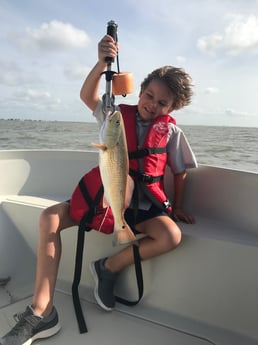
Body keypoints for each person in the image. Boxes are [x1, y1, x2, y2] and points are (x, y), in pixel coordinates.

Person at [0, 34, 197, 345]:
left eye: (163, 103)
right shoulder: (114, 117)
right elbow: (87, 95)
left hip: (140, 209)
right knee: (49, 217)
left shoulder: (171, 133)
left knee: (171, 235)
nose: (152, 105)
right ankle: (41, 311)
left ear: (174, 107)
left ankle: (109, 267)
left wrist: (180, 206)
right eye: (148, 95)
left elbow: (180, 173)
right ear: (140, 91)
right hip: (106, 197)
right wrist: (101, 62)